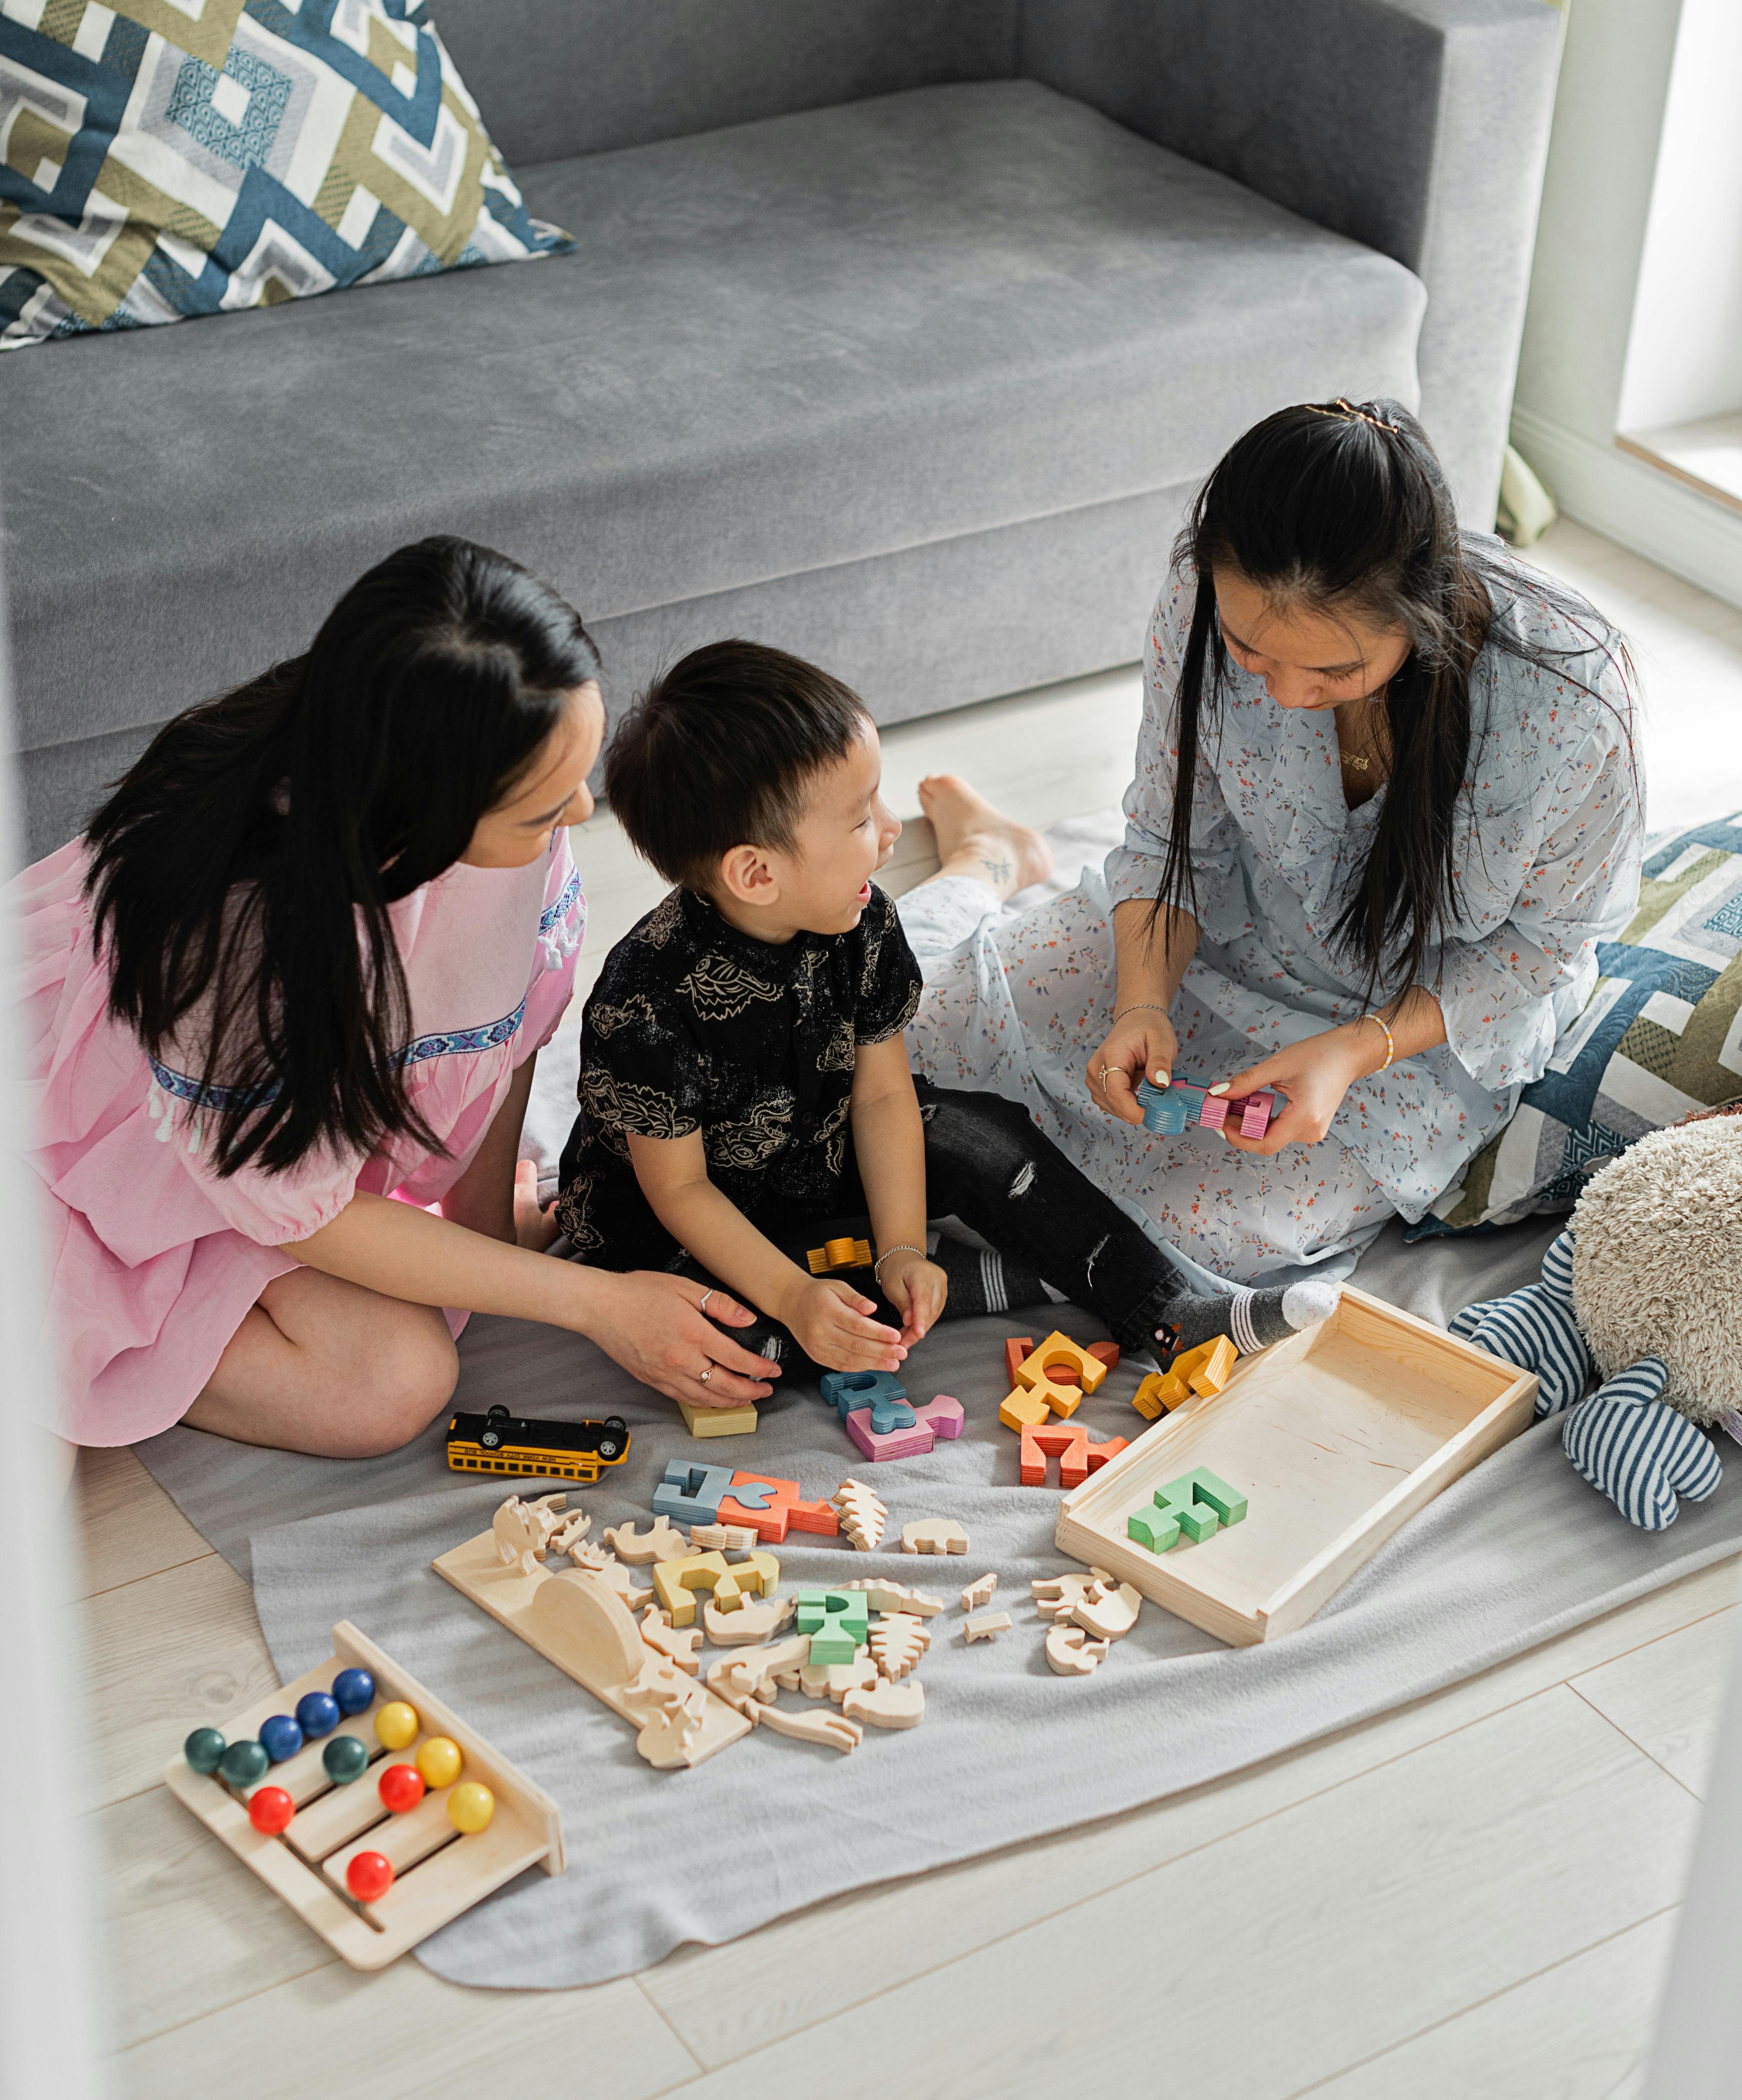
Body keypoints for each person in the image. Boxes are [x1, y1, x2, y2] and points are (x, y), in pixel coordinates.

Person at [20, 536, 773, 1458]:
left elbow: (512, 1029)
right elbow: (312, 1208)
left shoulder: (501, 788)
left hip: (280, 1141)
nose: (580, 812)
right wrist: (596, 1304)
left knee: (409, 1339)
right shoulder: (249, 944)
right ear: (418, 812)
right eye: (542, 807)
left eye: (577, 769)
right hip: (115, 1142)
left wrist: (488, 1232)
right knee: (388, 1385)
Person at [898, 398, 1644, 1284]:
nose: (1286, 695)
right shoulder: (1202, 592)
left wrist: (1349, 1051)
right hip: (1224, 930)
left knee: (1195, 1235)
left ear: (1424, 607)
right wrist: (1142, 1001)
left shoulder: (1570, 707)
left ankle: (991, 869)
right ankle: (986, 863)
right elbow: (1172, 836)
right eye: (1251, 651)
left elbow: (1543, 948)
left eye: (1334, 670)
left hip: (1418, 1023)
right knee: (902, 1033)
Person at [554, 640, 1333, 1372]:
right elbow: (681, 1192)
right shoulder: (644, 1005)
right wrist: (793, 1298)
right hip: (689, 1228)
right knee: (733, 1349)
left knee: (977, 1130)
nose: (891, 832)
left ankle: (1170, 1313)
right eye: (861, 819)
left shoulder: (861, 920)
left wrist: (898, 1248)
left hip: (819, 1163)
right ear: (755, 875)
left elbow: (886, 1093)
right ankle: (1001, 1278)